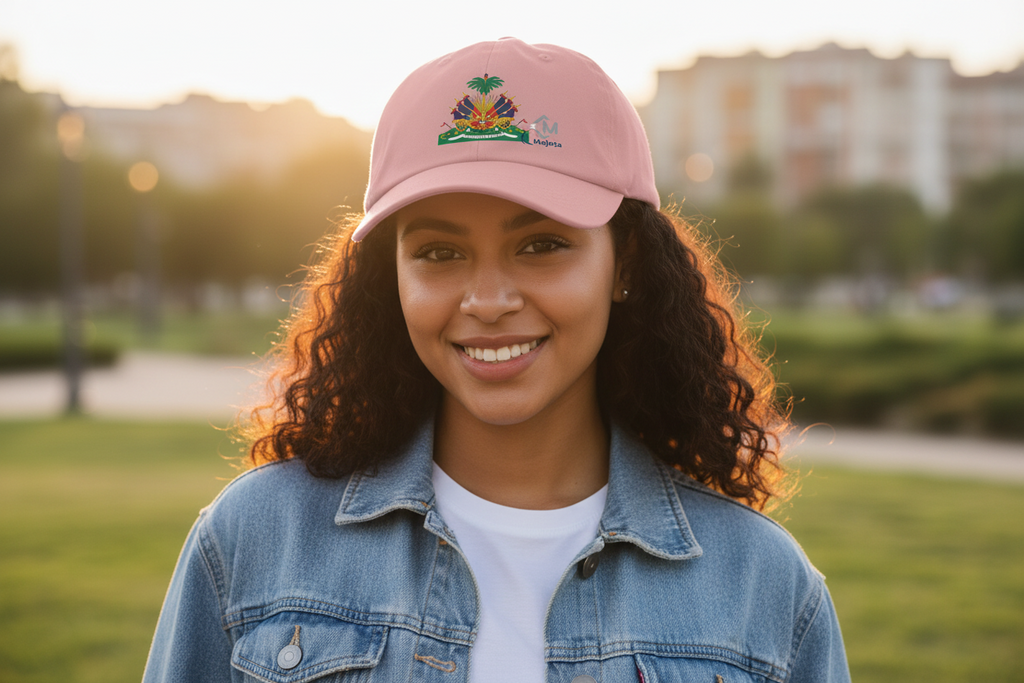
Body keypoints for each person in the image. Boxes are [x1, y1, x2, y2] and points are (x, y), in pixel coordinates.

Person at [144, 38, 850, 683]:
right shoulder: (255, 540)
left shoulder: (766, 590)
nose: (487, 301)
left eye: (541, 245)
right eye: (439, 252)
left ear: (626, 262)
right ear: (391, 277)